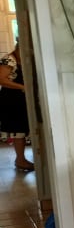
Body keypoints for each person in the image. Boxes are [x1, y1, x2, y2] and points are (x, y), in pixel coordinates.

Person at [0, 42, 34, 172]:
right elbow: (1, 79)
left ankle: (21, 160)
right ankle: (20, 160)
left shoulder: (23, 59)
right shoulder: (9, 59)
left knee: (23, 129)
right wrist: (22, 87)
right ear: (19, 48)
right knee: (18, 130)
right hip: (12, 100)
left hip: (21, 99)